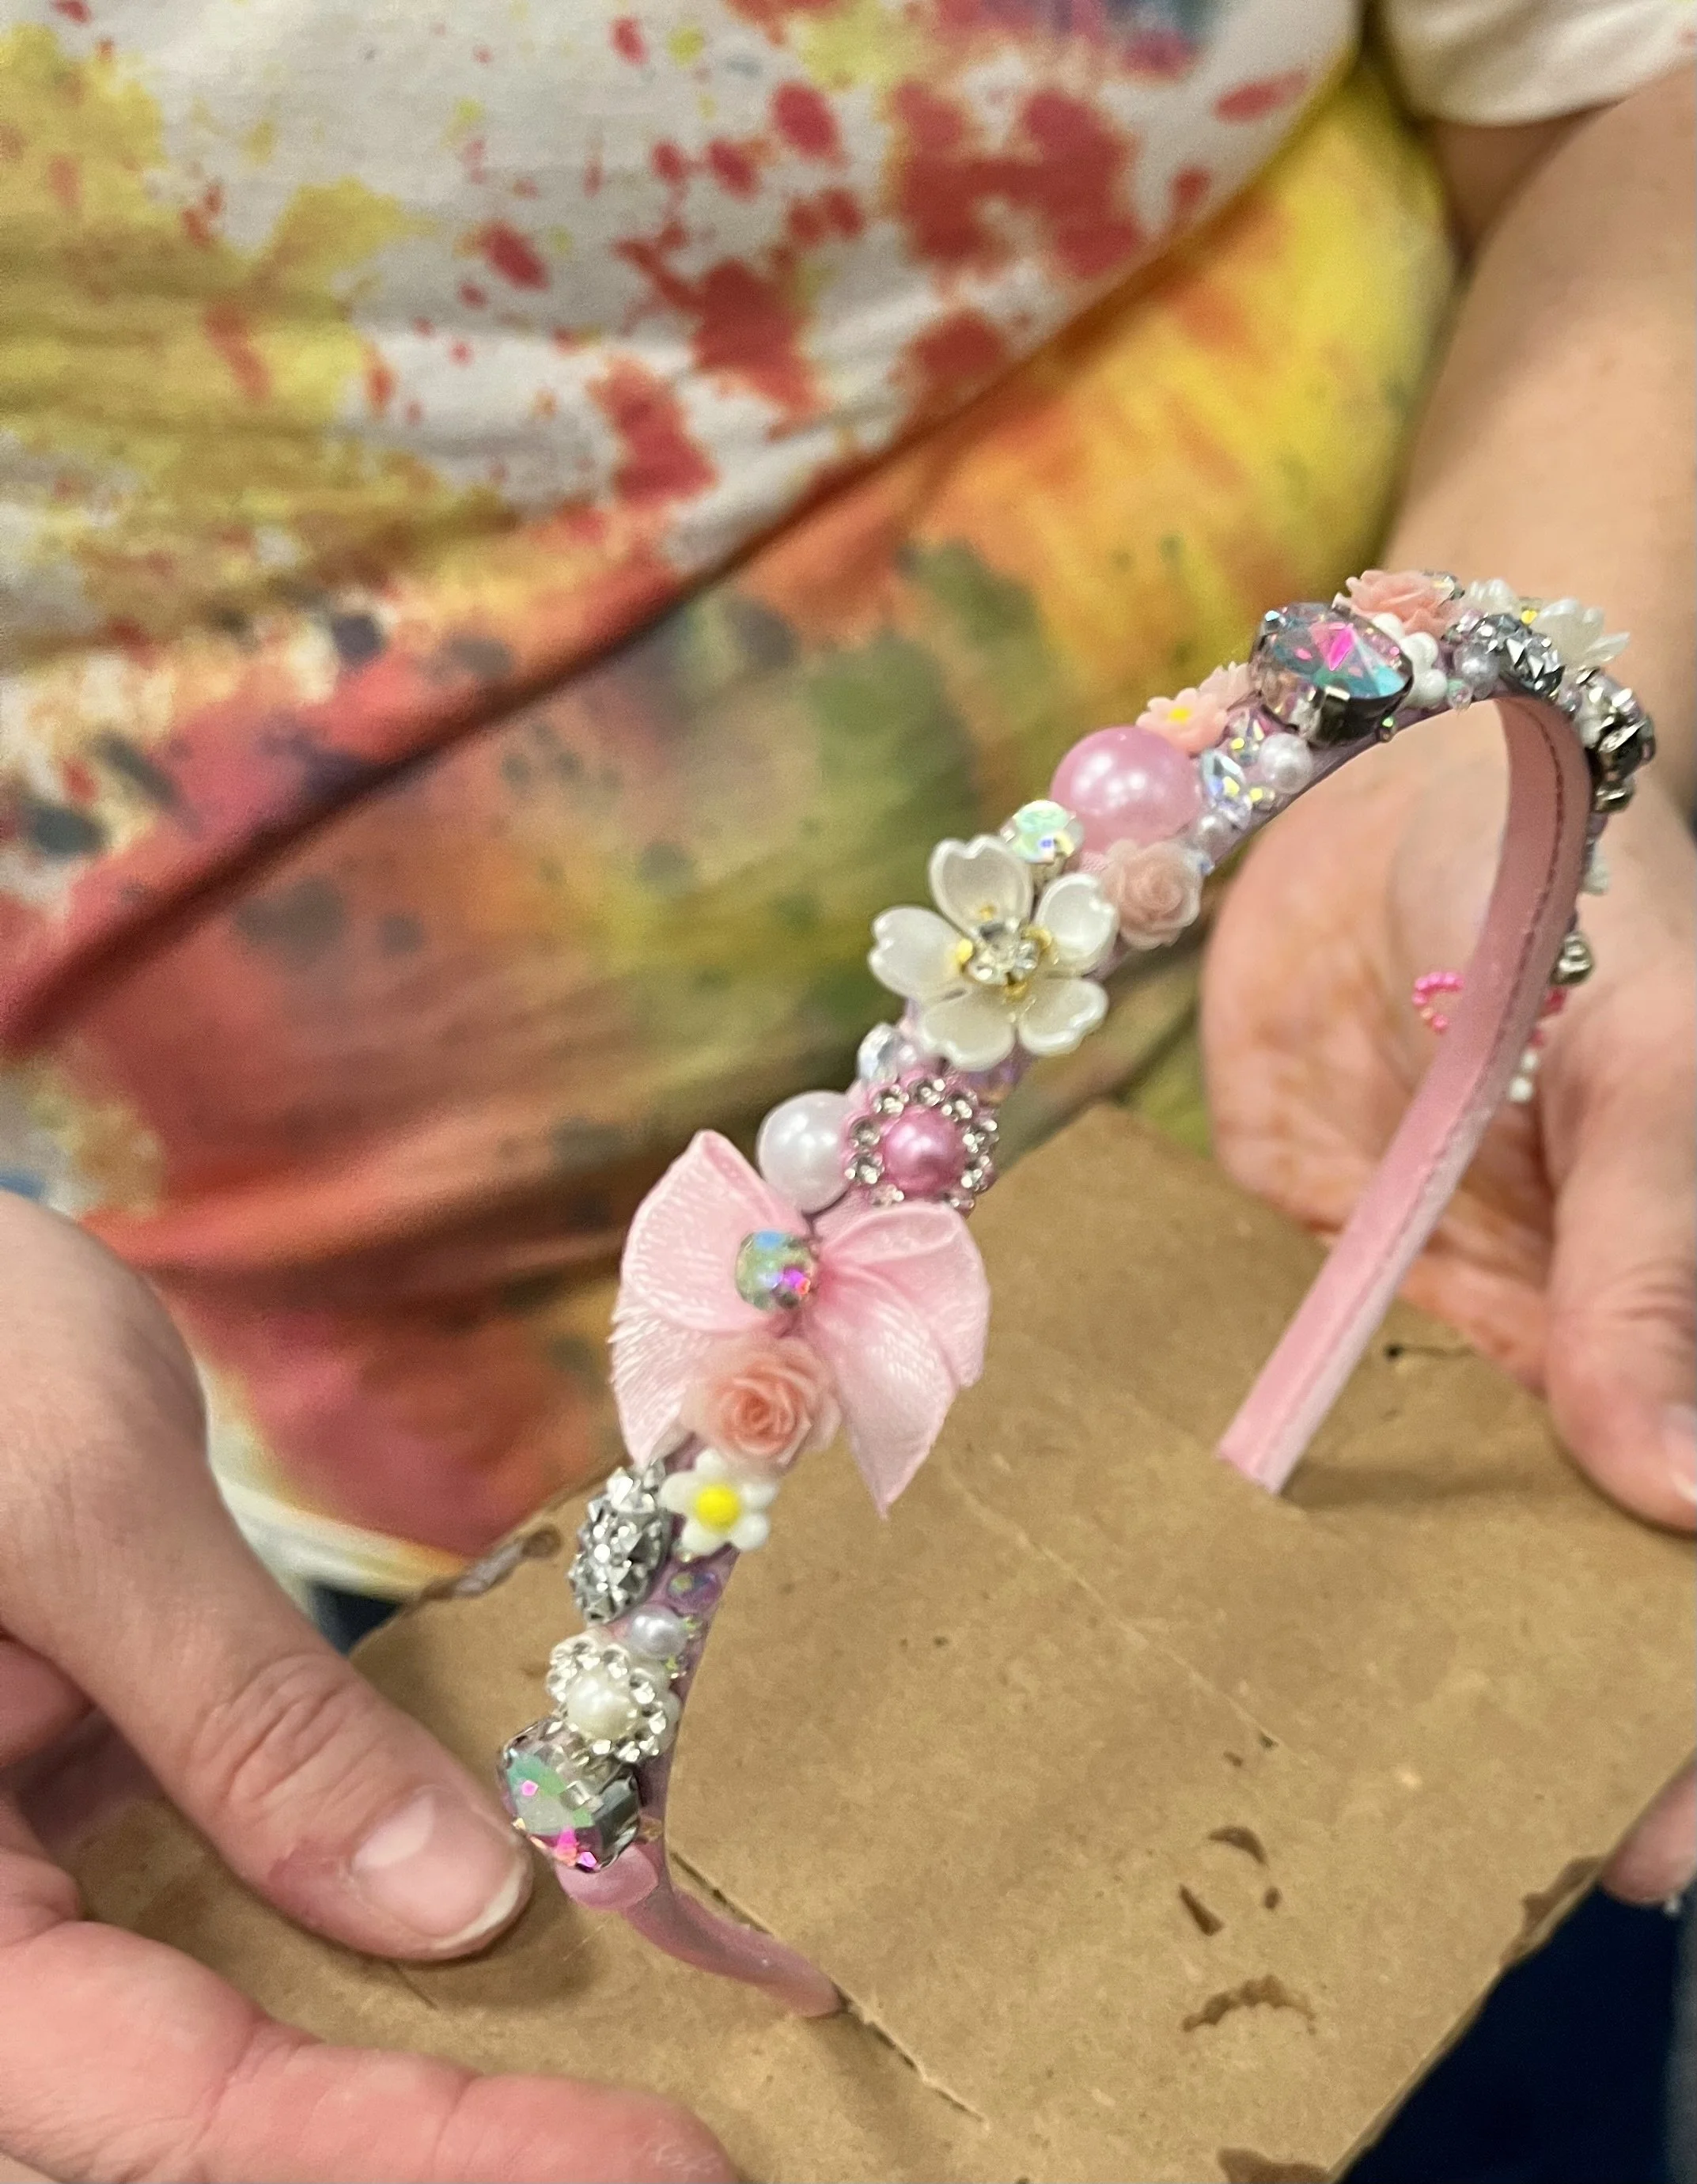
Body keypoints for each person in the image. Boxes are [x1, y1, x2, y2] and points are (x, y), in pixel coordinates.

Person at [0, 2, 1690, 2176]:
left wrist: (1485, 762)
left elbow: (1623, 76)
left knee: (1470, 1965)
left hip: (1327, 1149)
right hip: (186, 1471)